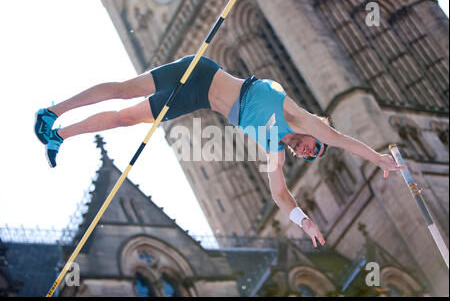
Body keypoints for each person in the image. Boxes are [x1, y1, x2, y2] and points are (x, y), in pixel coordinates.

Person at [34, 55, 406, 248]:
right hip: (202, 74)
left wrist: (303, 220)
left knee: (125, 119)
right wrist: (378, 158)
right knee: (125, 90)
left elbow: (279, 194)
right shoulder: (300, 118)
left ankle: (60, 136)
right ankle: (52, 112)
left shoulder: (274, 148)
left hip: (198, 99)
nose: (311, 151)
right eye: (316, 149)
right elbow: (341, 139)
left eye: (310, 156)